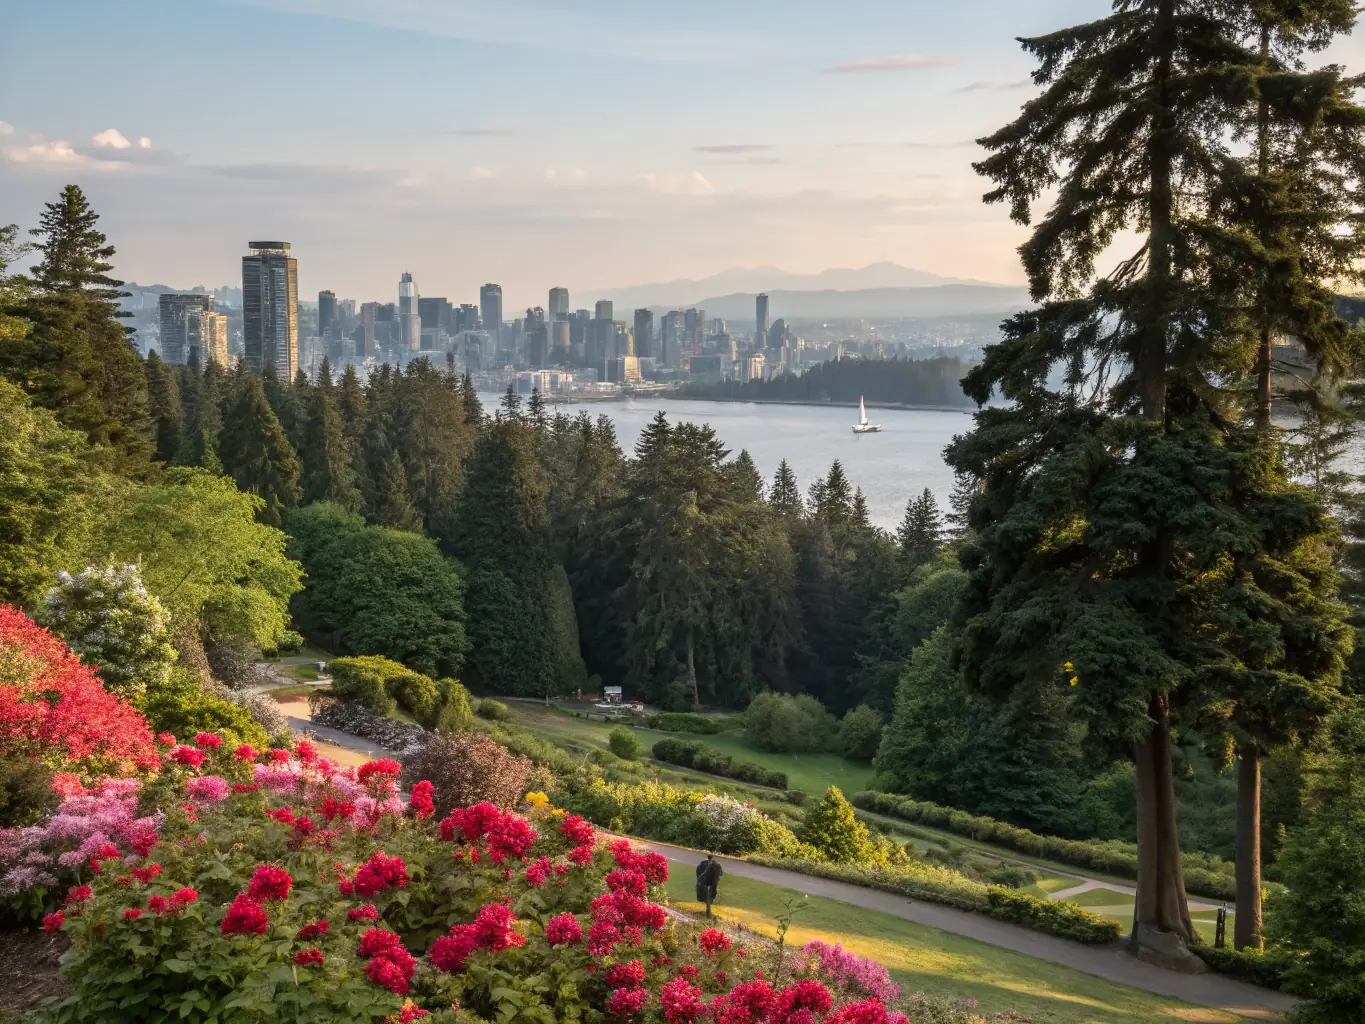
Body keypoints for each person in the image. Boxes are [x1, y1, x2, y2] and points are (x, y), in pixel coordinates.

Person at [695, 853, 723, 917]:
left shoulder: (704, 863)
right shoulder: (716, 865)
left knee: (708, 894)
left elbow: (700, 872)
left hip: (707, 883)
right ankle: (708, 910)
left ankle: (708, 910)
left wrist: (700, 878)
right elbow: (720, 874)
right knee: (711, 894)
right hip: (712, 883)